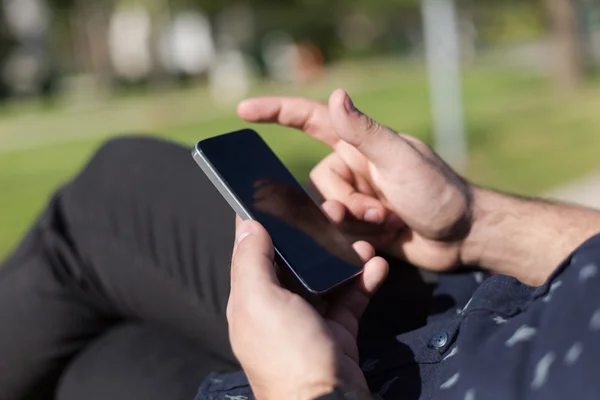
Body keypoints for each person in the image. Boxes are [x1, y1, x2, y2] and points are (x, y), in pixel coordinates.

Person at [1, 90, 600, 400]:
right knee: (89, 354)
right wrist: (473, 221)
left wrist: (311, 389)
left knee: (107, 206)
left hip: (360, 376)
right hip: (470, 306)